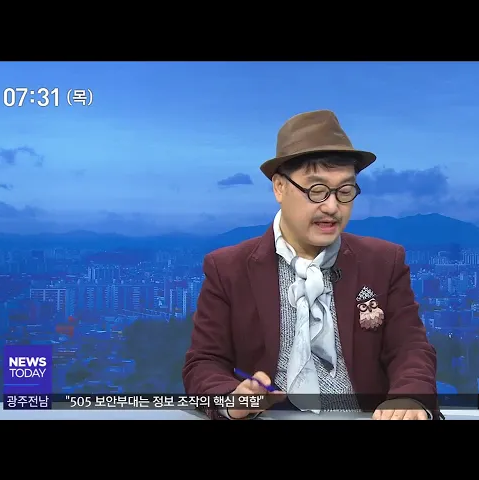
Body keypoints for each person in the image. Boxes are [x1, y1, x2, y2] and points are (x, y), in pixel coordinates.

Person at [182, 110, 438, 420]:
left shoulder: (383, 261)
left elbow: (410, 347)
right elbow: (204, 362)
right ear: (279, 187)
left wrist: (410, 398)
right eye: (317, 190)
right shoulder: (228, 269)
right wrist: (233, 399)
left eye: (345, 191)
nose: (332, 207)